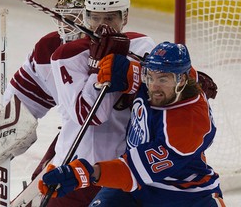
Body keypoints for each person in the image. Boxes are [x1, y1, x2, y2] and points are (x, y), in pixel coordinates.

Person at [39, 41, 226, 207]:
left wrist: (82, 174)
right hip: (136, 190)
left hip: (184, 194)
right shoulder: (170, 78)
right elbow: (140, 74)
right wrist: (123, 69)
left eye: (162, 79)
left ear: (182, 80)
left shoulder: (188, 128)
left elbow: (130, 172)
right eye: (150, 77)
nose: (153, 87)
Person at [40, 0, 156, 206]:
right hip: (74, 169)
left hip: (121, 171)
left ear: (125, 17)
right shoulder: (66, 55)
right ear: (86, 17)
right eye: (95, 18)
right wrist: (97, 68)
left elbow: (161, 97)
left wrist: (135, 73)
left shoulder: (142, 45)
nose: (102, 26)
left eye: (110, 18)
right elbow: (91, 116)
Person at [2, 0, 86, 184]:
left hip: (118, 153)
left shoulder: (121, 50)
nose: (67, 26)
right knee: (41, 187)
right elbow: (21, 102)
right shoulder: (49, 49)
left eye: (74, 18)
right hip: (73, 139)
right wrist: (6, 130)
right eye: (64, 18)